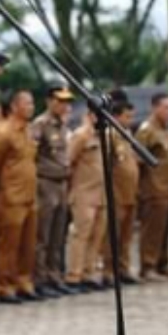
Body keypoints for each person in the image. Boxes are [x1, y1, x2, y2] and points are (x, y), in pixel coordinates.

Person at [0, 89, 38, 305]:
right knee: (8, 245)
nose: (31, 107)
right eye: (26, 103)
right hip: (10, 197)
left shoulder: (28, 130)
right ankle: (5, 285)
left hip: (29, 196)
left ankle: (23, 281)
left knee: (27, 244)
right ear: (14, 106)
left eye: (31, 103)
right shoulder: (3, 132)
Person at [31, 87, 74, 297]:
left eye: (67, 102)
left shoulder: (64, 124)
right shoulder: (40, 124)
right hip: (46, 182)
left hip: (62, 183)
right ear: (49, 101)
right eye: (60, 101)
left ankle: (54, 274)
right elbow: (32, 153)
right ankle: (40, 278)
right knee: (43, 234)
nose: (64, 105)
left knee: (59, 233)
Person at [136, 92, 168, 282]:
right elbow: (138, 159)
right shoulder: (147, 130)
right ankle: (148, 266)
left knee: (164, 229)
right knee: (152, 230)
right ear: (155, 108)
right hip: (154, 189)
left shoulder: (165, 130)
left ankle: (163, 264)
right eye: (166, 107)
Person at [65, 108, 106, 293]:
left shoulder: (102, 135)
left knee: (97, 234)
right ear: (89, 115)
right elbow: (69, 162)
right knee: (81, 235)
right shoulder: (81, 136)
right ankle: (75, 275)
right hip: (83, 192)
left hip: (100, 193)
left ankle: (89, 273)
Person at [100, 98, 140, 287]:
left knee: (126, 236)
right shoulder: (110, 136)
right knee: (112, 236)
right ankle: (108, 270)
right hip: (116, 195)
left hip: (129, 194)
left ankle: (123, 268)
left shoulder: (127, 135)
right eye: (126, 116)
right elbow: (106, 166)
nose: (130, 120)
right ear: (115, 116)